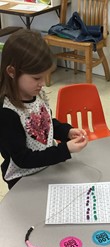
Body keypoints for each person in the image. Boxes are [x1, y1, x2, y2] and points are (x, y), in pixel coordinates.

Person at [0, 29, 88, 190]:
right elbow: (23, 159)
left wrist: (66, 132)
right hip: (23, 180)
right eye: (36, 78)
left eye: (45, 76)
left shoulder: (35, 93)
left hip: (48, 167)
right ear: (12, 72)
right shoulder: (7, 113)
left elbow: (45, 124)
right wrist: (64, 150)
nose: (42, 83)